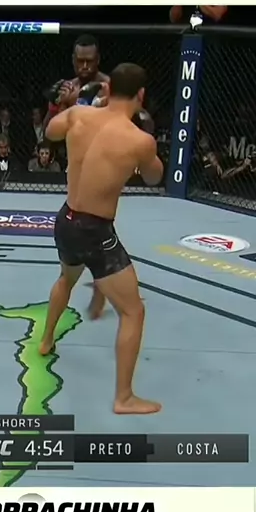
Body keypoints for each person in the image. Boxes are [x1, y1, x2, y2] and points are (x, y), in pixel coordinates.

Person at [39, 63, 163, 416]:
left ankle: (46, 340)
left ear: (107, 90)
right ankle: (124, 398)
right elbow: (154, 178)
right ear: (141, 95)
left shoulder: (78, 115)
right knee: (133, 311)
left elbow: (50, 131)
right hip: (95, 232)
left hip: (66, 219)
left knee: (66, 279)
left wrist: (70, 104)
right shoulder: (139, 139)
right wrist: (145, 149)